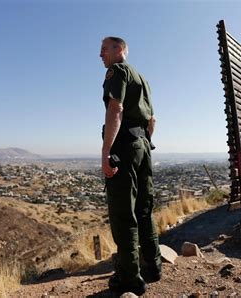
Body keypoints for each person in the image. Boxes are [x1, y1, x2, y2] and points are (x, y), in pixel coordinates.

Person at [100, 36, 162, 295]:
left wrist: (106, 150)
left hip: (125, 145)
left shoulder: (118, 71)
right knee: (144, 208)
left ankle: (129, 279)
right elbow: (152, 121)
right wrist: (144, 143)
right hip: (144, 146)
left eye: (104, 49)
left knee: (124, 212)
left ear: (120, 50)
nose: (100, 55)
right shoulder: (143, 79)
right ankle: (153, 265)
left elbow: (116, 108)